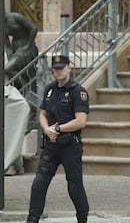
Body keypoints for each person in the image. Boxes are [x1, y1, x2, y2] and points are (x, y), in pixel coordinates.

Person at [26, 55, 89, 223]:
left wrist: (59, 128)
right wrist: (47, 129)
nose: (58, 71)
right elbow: (42, 114)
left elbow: (81, 121)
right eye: (55, 68)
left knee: (74, 186)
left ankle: (82, 219)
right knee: (39, 183)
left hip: (70, 145)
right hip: (51, 145)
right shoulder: (50, 89)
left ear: (69, 68)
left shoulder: (78, 91)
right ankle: (32, 220)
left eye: (61, 68)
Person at [4, 12, 38, 85]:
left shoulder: (16, 17)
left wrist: (28, 46)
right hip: (16, 50)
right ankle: (24, 88)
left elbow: (33, 28)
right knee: (10, 70)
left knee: (6, 69)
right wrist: (10, 58)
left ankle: (26, 89)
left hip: (27, 48)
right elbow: (7, 46)